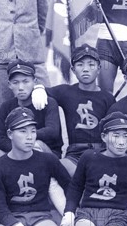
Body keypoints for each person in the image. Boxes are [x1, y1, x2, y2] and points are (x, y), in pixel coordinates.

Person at [32, 44, 115, 177]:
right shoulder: (66, 91)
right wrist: (39, 88)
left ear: (99, 69)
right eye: (80, 65)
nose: (86, 69)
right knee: (56, 171)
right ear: (73, 69)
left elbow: (113, 129)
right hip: (75, 154)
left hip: (101, 151)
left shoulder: (107, 98)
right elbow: (43, 91)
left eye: (91, 65)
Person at [0, 60, 62, 161]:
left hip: (45, 151)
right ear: (9, 84)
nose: (21, 87)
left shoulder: (48, 102)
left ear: (35, 82)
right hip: (16, 151)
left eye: (26, 81)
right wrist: (19, 147)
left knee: (38, 145)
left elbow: (52, 132)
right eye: (15, 82)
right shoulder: (6, 106)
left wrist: (25, 138)